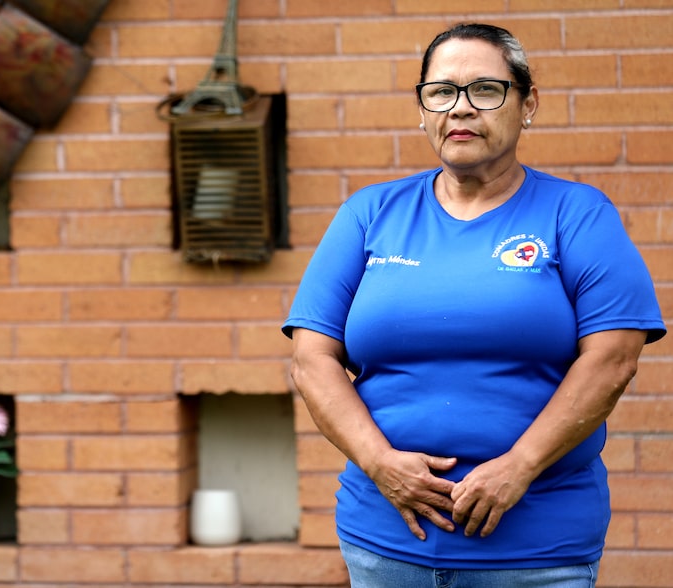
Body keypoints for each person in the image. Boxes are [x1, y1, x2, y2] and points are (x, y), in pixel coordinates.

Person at [282, 23, 666, 588]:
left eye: (484, 90)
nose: (460, 108)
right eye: (441, 92)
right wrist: (380, 464)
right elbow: (311, 358)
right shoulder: (369, 215)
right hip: (386, 544)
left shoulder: (577, 214)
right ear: (422, 108)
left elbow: (613, 357)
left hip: (536, 549)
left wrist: (519, 467)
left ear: (526, 102)